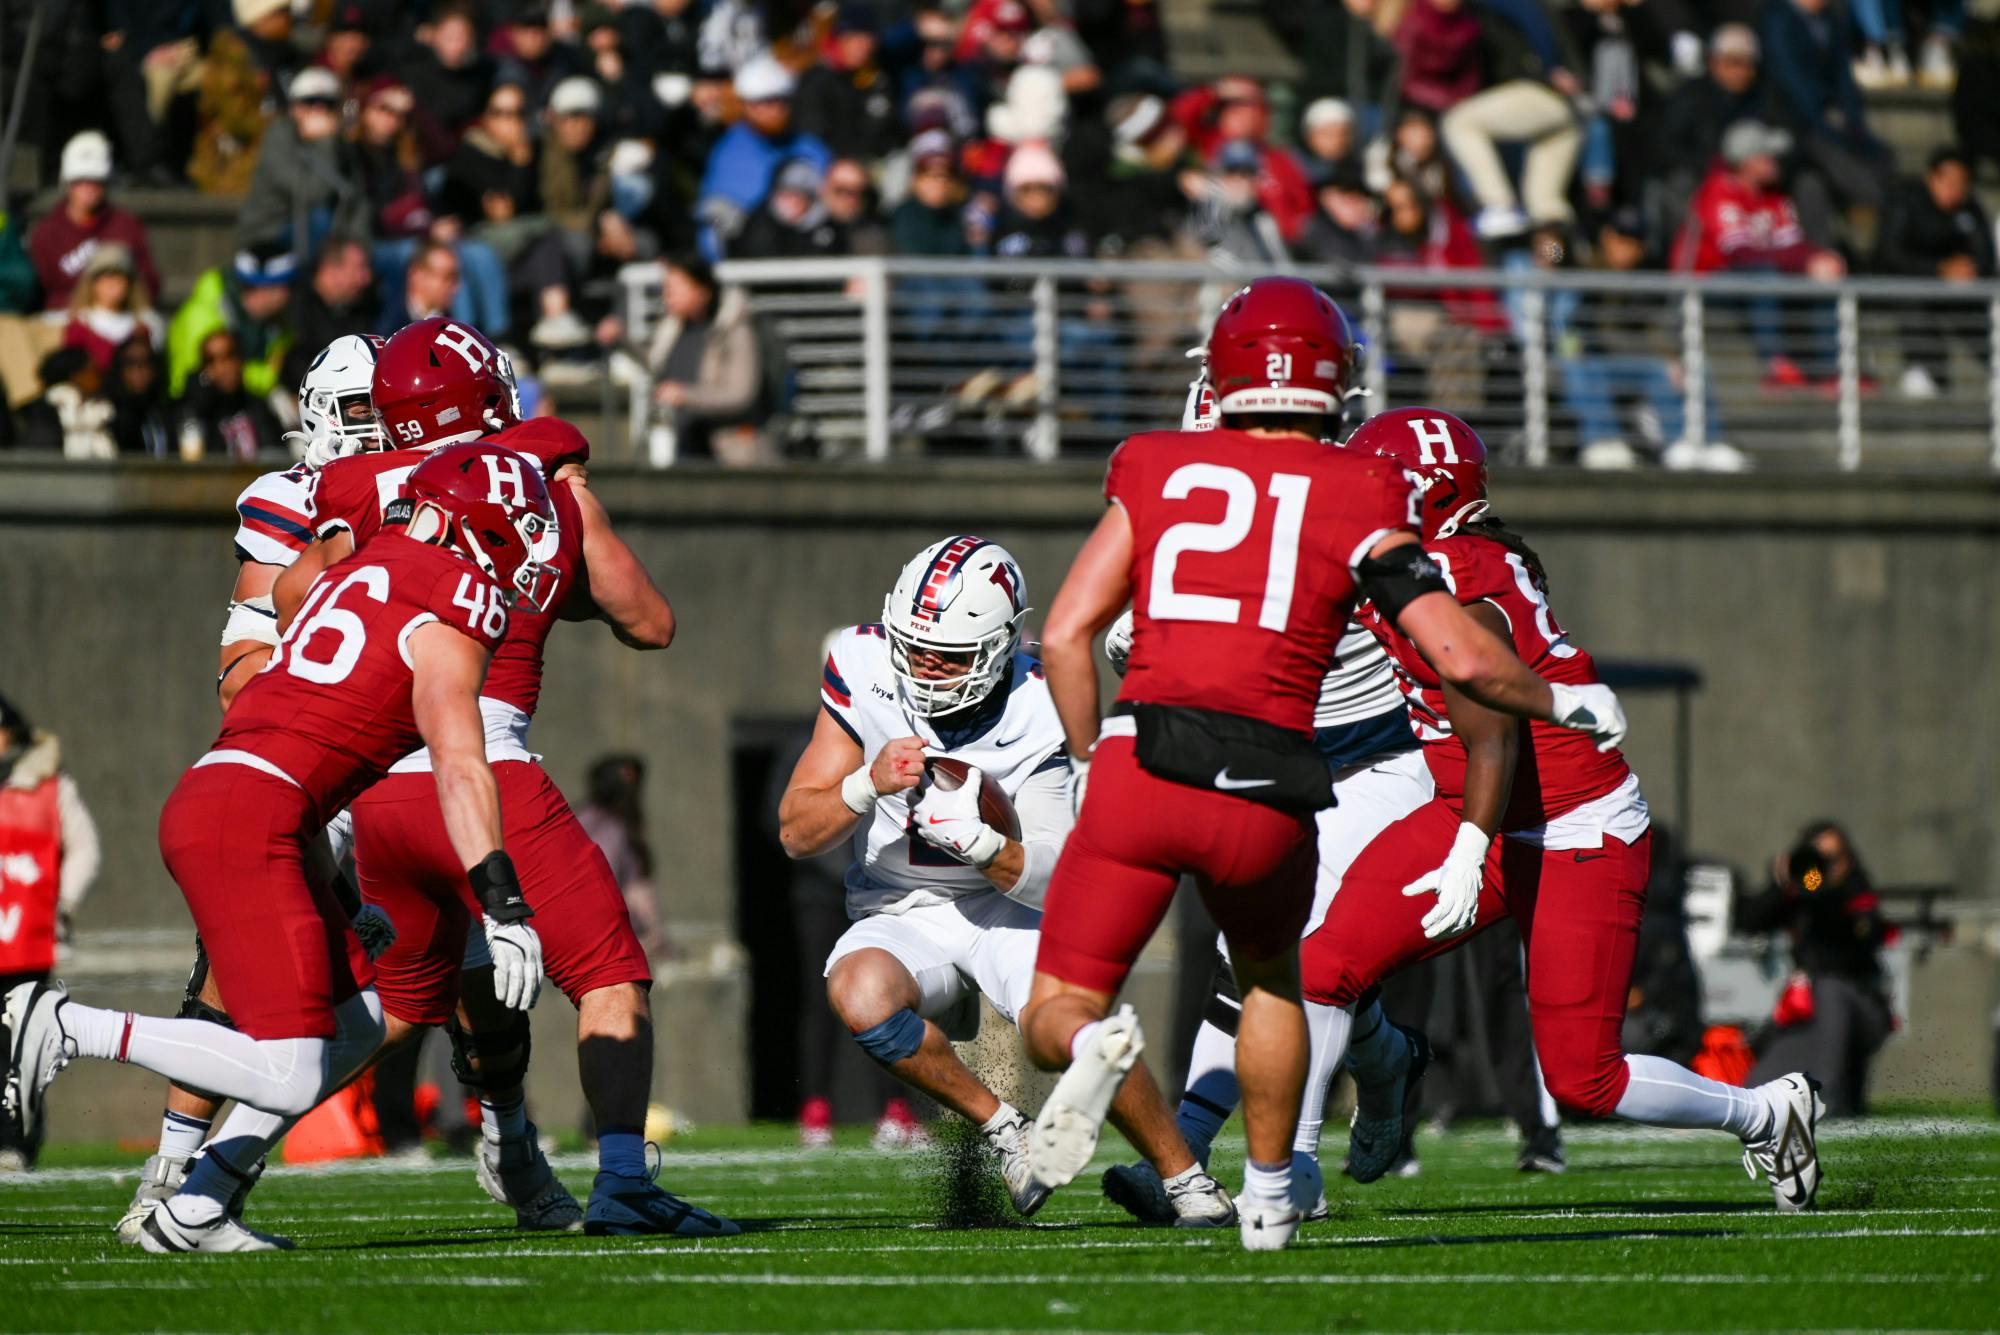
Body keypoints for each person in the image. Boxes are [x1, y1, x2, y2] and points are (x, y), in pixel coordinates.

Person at [1014, 279, 1630, 1251]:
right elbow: (1464, 656)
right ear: (1331, 384)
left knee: (1084, 1003)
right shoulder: (1359, 490)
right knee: (1275, 980)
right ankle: (1268, 1191)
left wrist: (1089, 761)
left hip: (1184, 756)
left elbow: (1062, 636)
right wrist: (1564, 699)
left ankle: (1154, 1099)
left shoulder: (1157, 466)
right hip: (1275, 773)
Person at [3, 440, 547, 1251]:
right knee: (290, 1063)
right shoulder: (455, 597)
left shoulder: (350, 568)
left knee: (359, 1024)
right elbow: (459, 759)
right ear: (484, 531)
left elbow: (305, 708)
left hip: (242, 793)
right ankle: (60, 1023)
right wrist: (502, 902)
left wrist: (349, 902)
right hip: (255, 810)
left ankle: (195, 1210)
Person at [1292, 407, 1827, 1213]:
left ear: (1421, 496)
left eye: (1378, 486)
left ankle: (1763, 1111)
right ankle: (1293, 1171)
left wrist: (1469, 850)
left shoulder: (1455, 577)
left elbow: (1495, 736)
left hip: (1572, 825)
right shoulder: (1425, 563)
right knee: (1322, 964)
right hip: (1472, 807)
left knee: (1585, 1077)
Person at [268, 317, 728, 1239]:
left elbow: (294, 607)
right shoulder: (535, 480)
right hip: (480, 769)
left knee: (390, 1012)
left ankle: (207, 1154)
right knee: (609, 973)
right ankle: (626, 1180)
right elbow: (650, 620)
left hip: (367, 784)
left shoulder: (346, 487)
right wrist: (566, 529)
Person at [776, 538, 1233, 1225]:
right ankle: (1003, 1125)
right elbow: (795, 830)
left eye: (949, 656)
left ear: (999, 646)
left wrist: (988, 847)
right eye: (914, 647)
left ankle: (1185, 1177)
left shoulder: (1045, 699)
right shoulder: (862, 662)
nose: (925, 668)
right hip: (902, 906)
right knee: (858, 990)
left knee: (1077, 1023)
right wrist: (864, 783)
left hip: (1007, 907)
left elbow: (1062, 879)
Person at [1671, 120, 1845, 393]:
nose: (1775, 162)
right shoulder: (1719, 191)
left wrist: (1822, 259)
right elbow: (1740, 252)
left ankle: (1832, 370)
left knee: (1822, 275)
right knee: (1764, 275)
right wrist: (1806, 261)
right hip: (1707, 279)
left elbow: (1794, 244)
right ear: (1747, 161)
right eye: (1767, 156)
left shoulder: (1773, 197)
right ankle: (1774, 365)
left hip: (1755, 275)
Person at [0, 696, 102, 1163]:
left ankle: (16, 1142)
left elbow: (84, 849)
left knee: (20, 1047)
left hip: (26, 941)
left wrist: (61, 903)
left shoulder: (48, 787)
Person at [1740, 822, 1895, 1117]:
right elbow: (1749, 921)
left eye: (1833, 859)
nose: (1825, 867)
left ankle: (1829, 1099)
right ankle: (1827, 1091)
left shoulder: (1855, 890)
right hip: (1809, 1016)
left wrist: (1819, 893)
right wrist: (1780, 886)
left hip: (1858, 1006)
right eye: (1818, 859)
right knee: (1761, 1090)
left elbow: (1857, 936)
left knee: (1830, 989)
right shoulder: (1801, 893)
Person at [1756, 0, 1896, 241]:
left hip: (1829, 119)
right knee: (1825, 174)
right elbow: (1789, 78)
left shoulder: (1832, 18)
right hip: (1793, 124)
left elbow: (1843, 75)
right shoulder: (1779, 19)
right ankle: (1873, 204)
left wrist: (1852, 118)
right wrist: (1824, 118)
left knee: (1882, 155)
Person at [1874, 147, 1995, 401]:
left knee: (1978, 309)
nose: (1954, 190)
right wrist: (1938, 269)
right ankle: (1925, 372)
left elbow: (1985, 254)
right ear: (1932, 178)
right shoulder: (1904, 199)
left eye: (1961, 183)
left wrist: (1970, 267)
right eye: (1948, 181)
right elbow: (1889, 253)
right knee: (1915, 301)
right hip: (1907, 286)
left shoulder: (1968, 209)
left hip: (1954, 292)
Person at [696, 56, 834, 259]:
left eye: (781, 100)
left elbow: (830, 204)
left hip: (808, 252)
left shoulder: (810, 148)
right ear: (745, 105)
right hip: (751, 259)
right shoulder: (728, 153)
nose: (776, 109)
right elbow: (713, 222)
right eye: (765, 102)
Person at [642, 254, 767, 464]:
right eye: (666, 287)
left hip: (729, 450)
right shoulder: (672, 330)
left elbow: (741, 394)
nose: (667, 294)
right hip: (681, 447)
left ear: (702, 290)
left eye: (674, 287)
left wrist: (686, 395)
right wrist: (621, 339)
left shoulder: (734, 327)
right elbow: (655, 368)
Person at [236, 67, 369, 255]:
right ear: (294, 107)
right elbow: (314, 193)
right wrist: (324, 142)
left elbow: (357, 196)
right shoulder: (278, 136)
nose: (319, 110)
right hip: (269, 233)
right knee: (320, 218)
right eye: (310, 102)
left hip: (328, 236)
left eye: (328, 104)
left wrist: (359, 246)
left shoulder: (342, 144)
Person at [26, 132, 161, 311]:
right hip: (63, 321)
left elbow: (149, 285)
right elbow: (35, 293)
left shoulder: (126, 226)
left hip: (118, 316)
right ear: (67, 184)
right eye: (80, 181)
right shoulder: (47, 232)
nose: (88, 188)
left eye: (95, 181)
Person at [166, 243, 294, 401]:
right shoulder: (200, 316)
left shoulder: (274, 325)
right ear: (267, 288)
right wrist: (268, 378)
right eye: (286, 287)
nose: (289, 297)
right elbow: (196, 378)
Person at [576, 755, 668, 959]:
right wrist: (655, 935)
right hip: (605, 935)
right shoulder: (609, 827)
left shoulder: (583, 818)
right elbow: (627, 886)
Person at [281, 240, 381, 394]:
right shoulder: (290, 309)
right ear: (331, 270)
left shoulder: (366, 306)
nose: (367, 278)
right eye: (360, 268)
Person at [176, 331, 285, 462]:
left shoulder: (260, 408)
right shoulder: (195, 415)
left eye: (228, 356)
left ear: (240, 359)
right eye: (211, 360)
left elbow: (277, 454)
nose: (222, 367)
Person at [60, 244, 164, 374]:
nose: (112, 283)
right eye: (105, 277)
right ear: (92, 284)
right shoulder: (79, 325)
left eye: (118, 277)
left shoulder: (145, 325)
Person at [106, 335, 174, 458]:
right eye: (130, 363)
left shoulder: (167, 413)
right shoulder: (107, 414)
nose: (138, 370)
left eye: (145, 363)